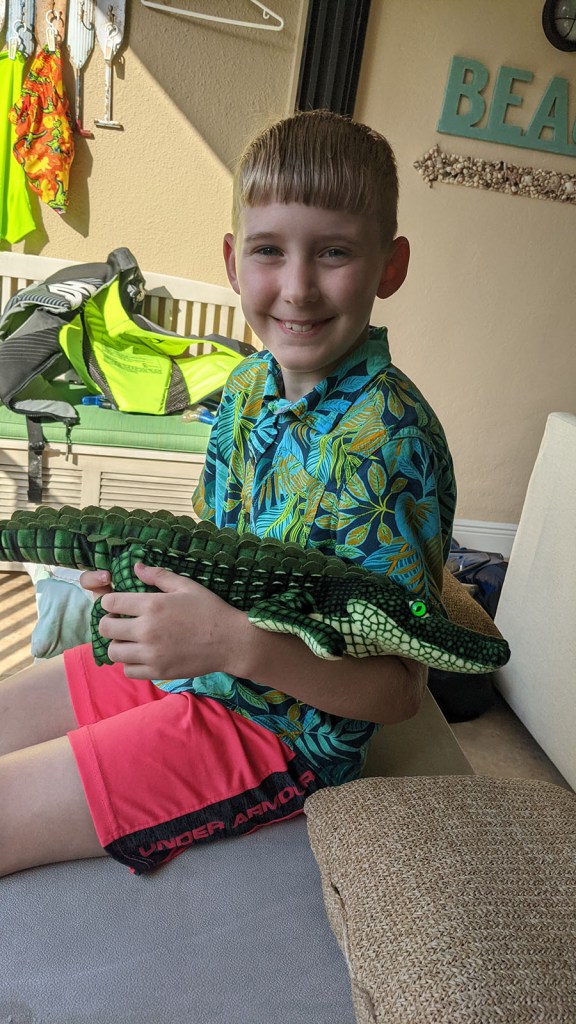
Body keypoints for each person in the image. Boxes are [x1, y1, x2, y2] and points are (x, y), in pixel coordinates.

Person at [0, 110, 456, 878]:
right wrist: (151, 585)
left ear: (390, 265)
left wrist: (234, 644)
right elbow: (216, 546)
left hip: (281, 735)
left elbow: (398, 691)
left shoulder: (393, 444)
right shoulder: (244, 388)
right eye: (269, 250)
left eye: (335, 252)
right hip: (195, 664)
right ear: (232, 261)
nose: (298, 288)